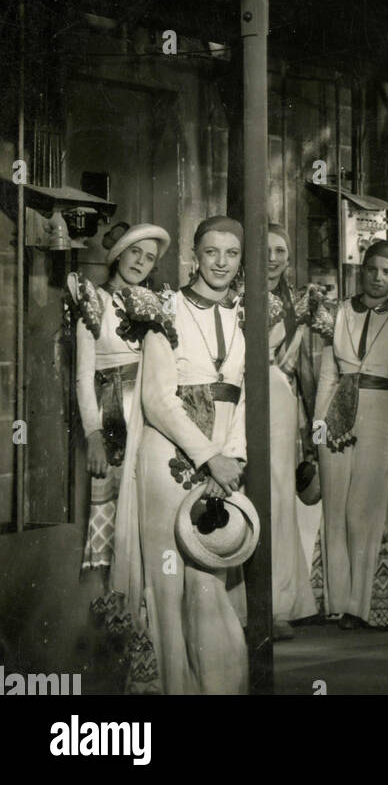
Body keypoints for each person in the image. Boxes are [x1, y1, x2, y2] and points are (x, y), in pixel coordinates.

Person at [112, 217, 250, 694]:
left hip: (219, 469)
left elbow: (243, 399)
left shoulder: (242, 317)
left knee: (210, 586)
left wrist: (231, 463)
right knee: (168, 587)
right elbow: (158, 400)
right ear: (195, 255)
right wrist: (210, 456)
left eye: (231, 254)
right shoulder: (164, 310)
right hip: (166, 463)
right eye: (212, 253)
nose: (221, 263)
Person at [310, 239, 388, 629]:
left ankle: (359, 607)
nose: (378, 278)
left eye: (387, 272)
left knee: (364, 509)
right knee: (334, 509)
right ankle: (334, 601)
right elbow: (328, 373)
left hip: (381, 413)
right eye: (372, 269)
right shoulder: (339, 311)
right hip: (336, 414)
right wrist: (317, 429)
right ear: (361, 270)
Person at [67, 223, 171, 583]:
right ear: (119, 254)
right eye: (135, 252)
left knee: (148, 509)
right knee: (110, 514)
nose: (140, 262)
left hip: (150, 415)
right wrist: (93, 434)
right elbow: (83, 375)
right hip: (112, 416)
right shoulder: (93, 300)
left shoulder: (156, 303)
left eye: (149, 258)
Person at [264, 225, 317, 637]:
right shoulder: (232, 294)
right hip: (237, 397)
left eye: (281, 250)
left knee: (280, 495)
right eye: (265, 250)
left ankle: (278, 602)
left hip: (280, 403)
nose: (273, 257)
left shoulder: (295, 302)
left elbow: (303, 367)